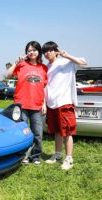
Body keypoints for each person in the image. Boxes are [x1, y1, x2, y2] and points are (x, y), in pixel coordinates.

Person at [42, 41, 87, 170]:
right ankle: (57, 154)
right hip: (52, 104)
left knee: (67, 131)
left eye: (50, 50)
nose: (47, 53)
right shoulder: (46, 67)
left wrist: (67, 55)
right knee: (57, 131)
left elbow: (83, 63)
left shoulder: (66, 62)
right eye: (45, 51)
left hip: (64, 102)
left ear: (56, 51)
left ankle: (69, 158)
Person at [7, 41, 47, 165]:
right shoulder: (21, 65)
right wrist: (15, 63)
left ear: (39, 52)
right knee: (22, 132)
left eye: (34, 50)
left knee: (37, 133)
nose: (31, 52)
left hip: (37, 104)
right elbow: (7, 75)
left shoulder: (43, 68)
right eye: (29, 50)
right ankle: (23, 156)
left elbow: (44, 87)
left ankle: (35, 156)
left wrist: (44, 103)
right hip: (21, 104)